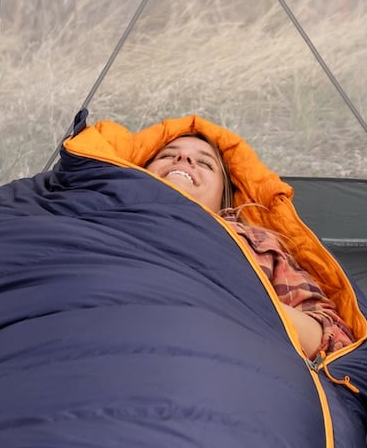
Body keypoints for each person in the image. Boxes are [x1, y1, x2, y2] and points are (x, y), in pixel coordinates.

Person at [145, 134, 356, 359]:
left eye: (205, 163)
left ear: (223, 198)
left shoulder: (258, 244)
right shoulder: (106, 215)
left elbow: (336, 342)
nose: (183, 157)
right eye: (167, 155)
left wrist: (232, 301)